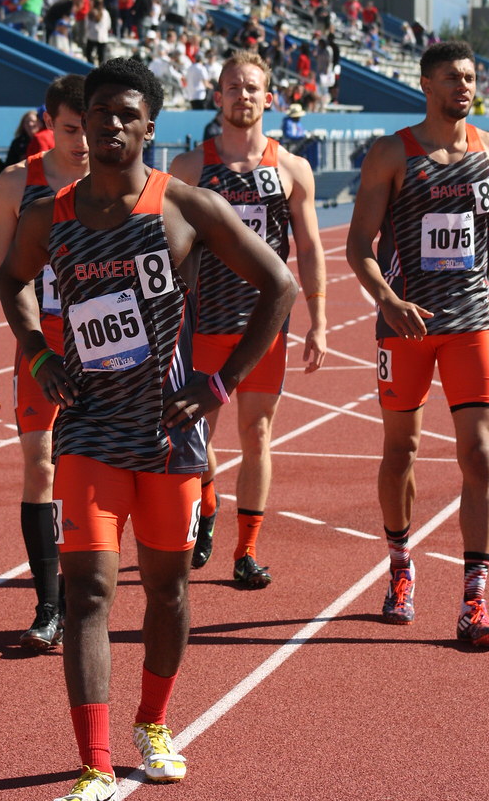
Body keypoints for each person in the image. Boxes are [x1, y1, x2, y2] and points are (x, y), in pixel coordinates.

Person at [0, 57, 297, 800]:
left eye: (128, 115)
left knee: (166, 592)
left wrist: (219, 381)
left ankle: (152, 723)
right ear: (83, 123)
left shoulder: (184, 207)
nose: (112, 125)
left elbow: (280, 286)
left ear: (150, 128)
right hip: (90, 435)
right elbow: (10, 277)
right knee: (89, 593)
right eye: (101, 113)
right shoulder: (50, 215)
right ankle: (95, 765)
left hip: (169, 438)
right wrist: (37, 354)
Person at [345, 41, 489, 649]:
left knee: (478, 454)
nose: (465, 86)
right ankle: (401, 565)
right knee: (400, 450)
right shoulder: (392, 153)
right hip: (405, 327)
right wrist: (387, 299)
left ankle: (474, 601)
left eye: (471, 77)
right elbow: (358, 245)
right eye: (453, 77)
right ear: (425, 84)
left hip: (473, 323)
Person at [169, 51, 327, 585]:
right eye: (233, 87)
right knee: (195, 438)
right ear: (217, 96)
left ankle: (246, 552)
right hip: (203, 324)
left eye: (252, 88)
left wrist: (319, 320)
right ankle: (208, 505)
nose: (243, 95)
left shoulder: (291, 169)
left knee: (257, 435)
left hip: (264, 328)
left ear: (269, 97)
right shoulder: (190, 169)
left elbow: (308, 247)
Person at [0, 75, 89, 648]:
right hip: (41, 343)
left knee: (103, 470)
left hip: (110, 344)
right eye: (71, 129)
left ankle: (91, 588)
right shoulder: (18, 183)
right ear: (47, 125)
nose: (84, 141)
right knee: (41, 463)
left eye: (92, 128)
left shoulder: (122, 177)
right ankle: (49, 606)